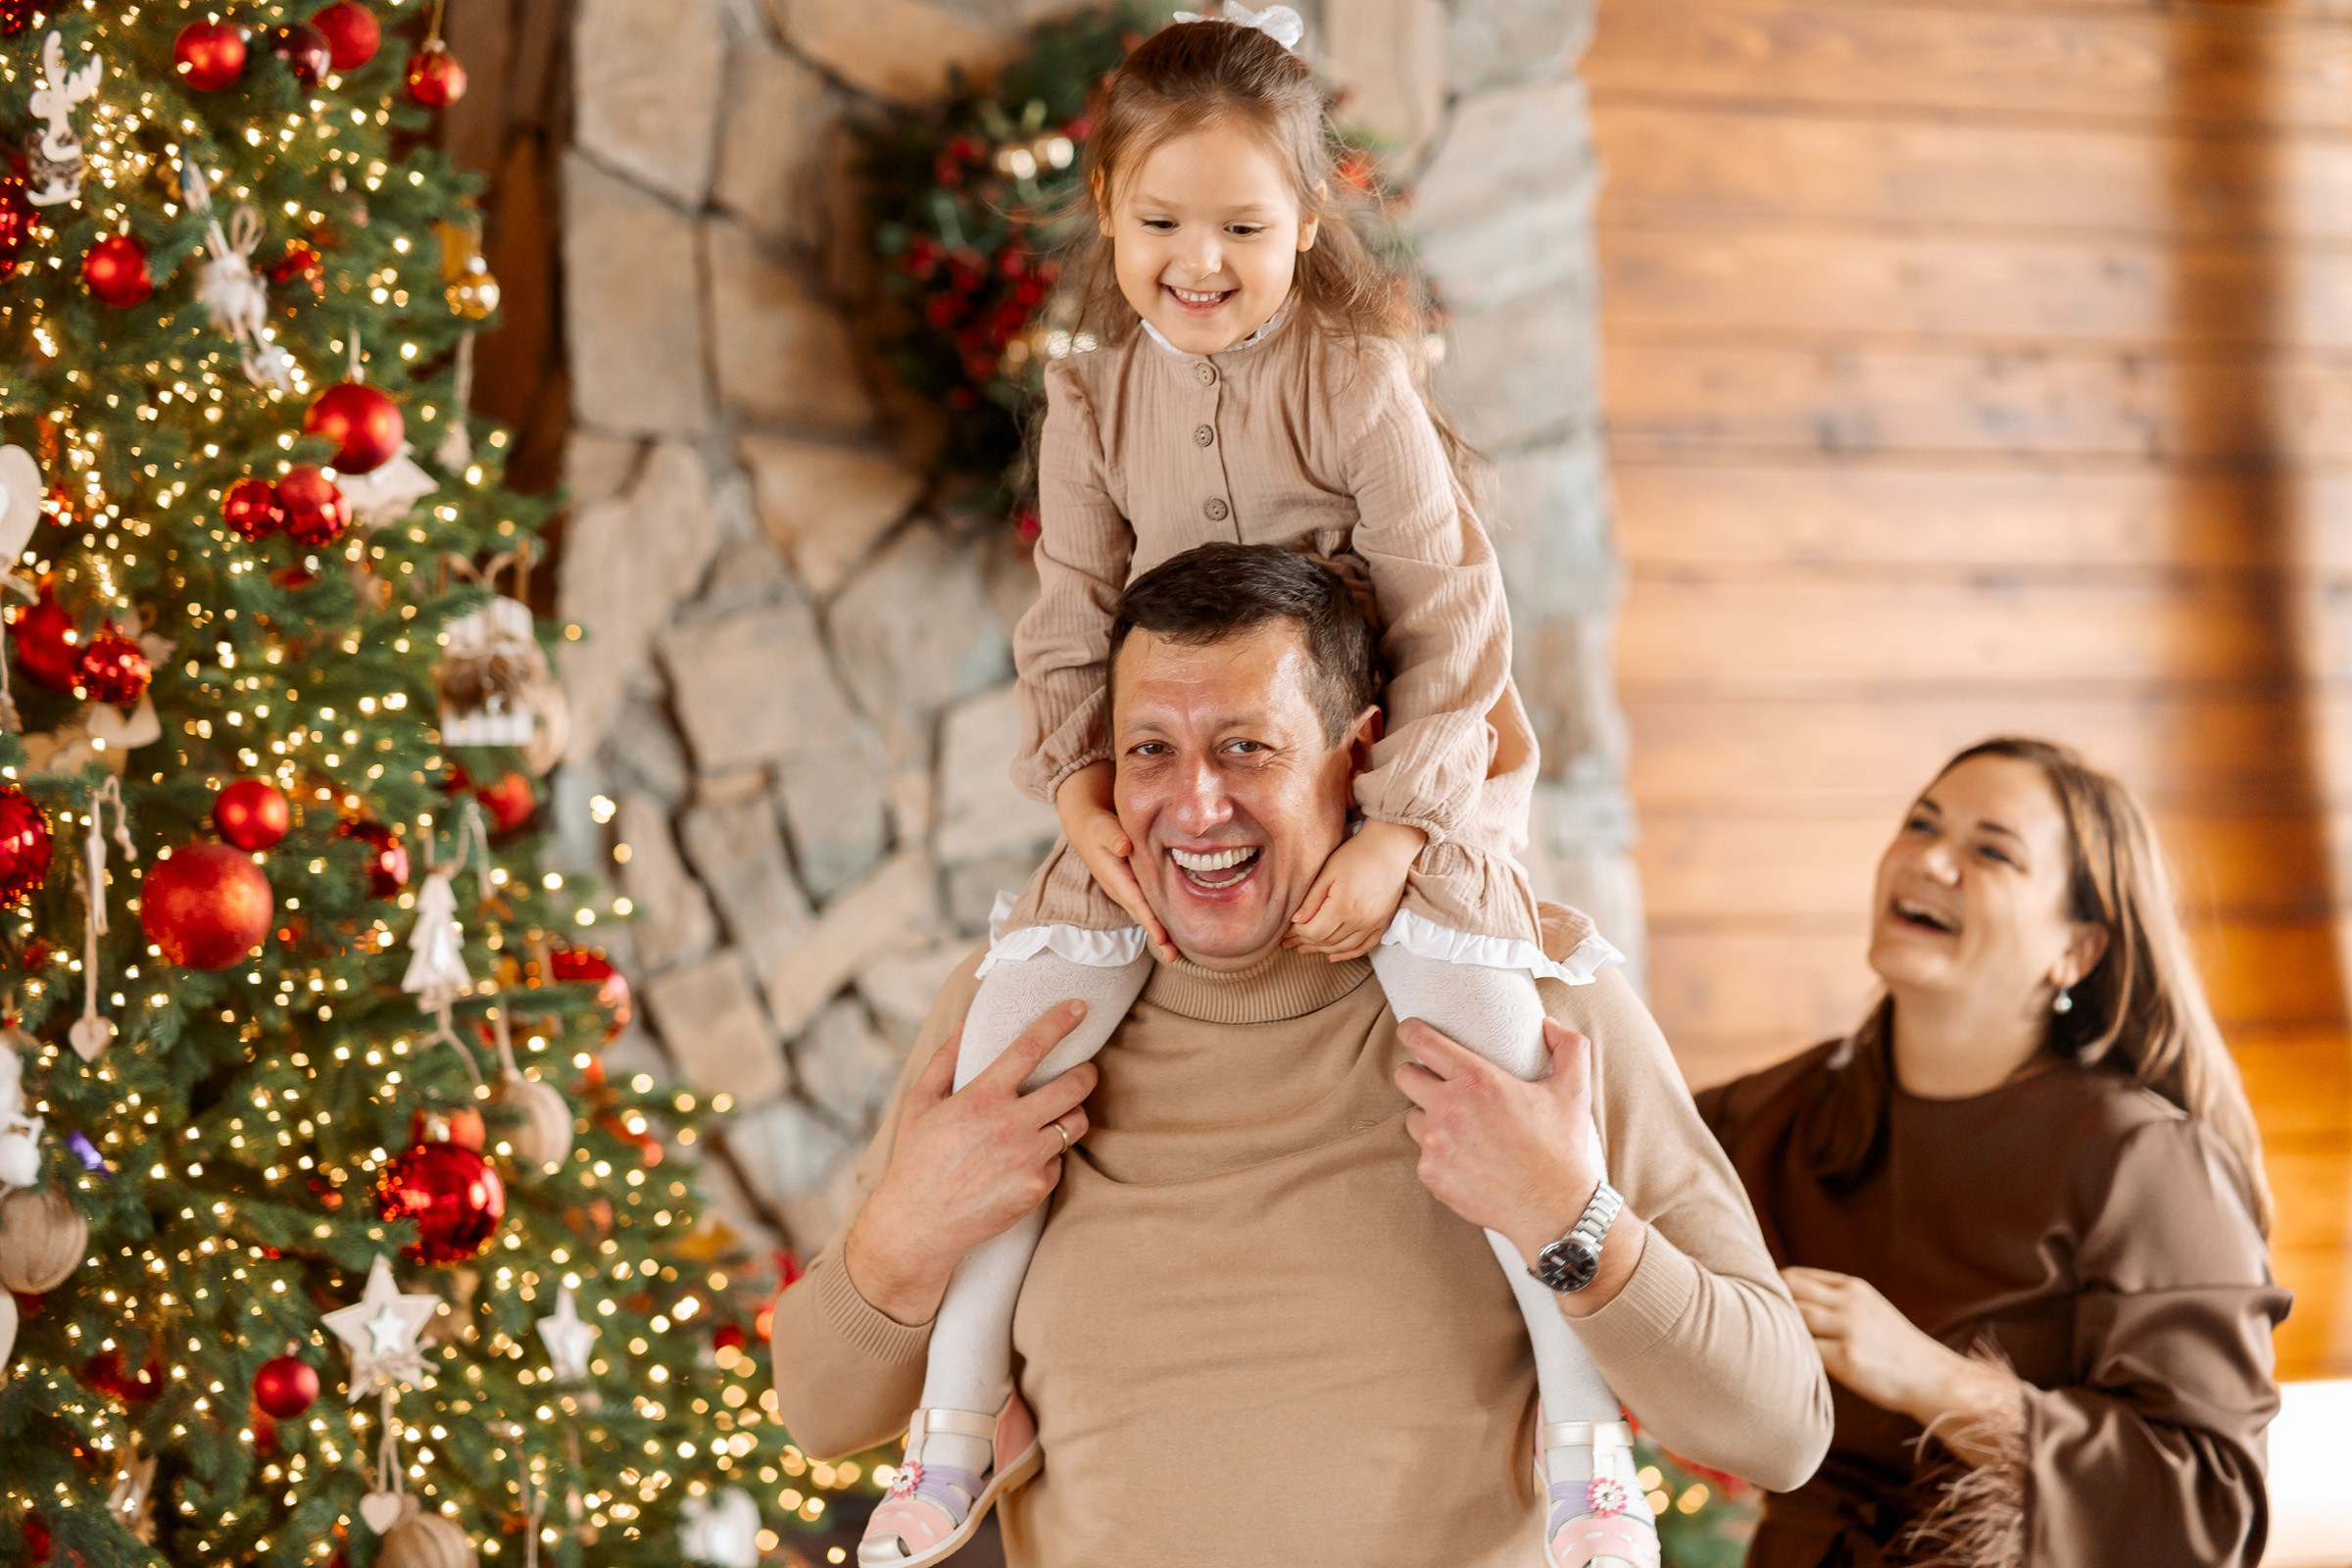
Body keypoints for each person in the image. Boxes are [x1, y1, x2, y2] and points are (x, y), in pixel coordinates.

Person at [887, 11, 1651, 1563]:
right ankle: (956, 1428)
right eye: (1164, 223)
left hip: (1394, 765)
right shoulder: (1092, 403)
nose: (1201, 261)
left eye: (1244, 226)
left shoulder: (1355, 378)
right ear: (1107, 210)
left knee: (1489, 1051)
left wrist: (1399, 833)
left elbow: (1452, 619)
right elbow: (1070, 624)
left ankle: (1586, 1452)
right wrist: (1080, 793)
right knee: (1011, 1051)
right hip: (1183, 781)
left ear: (1308, 220)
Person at [777, 545, 1832, 1568]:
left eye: (1247, 747)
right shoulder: (1022, 1008)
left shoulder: (1527, 1003)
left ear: (1359, 757)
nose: (1196, 806)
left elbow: (1782, 1429)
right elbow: (822, 1412)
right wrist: (909, 1227)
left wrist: (1569, 1217)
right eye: (1151, 750)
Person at [1696, 738, 2290, 1567]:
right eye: (1921, 824)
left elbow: (2210, 1507)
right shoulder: (1782, 1110)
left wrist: (1931, 1380)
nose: (1930, 861)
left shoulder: (2144, 1159)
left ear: (2076, 951)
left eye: (1993, 851)